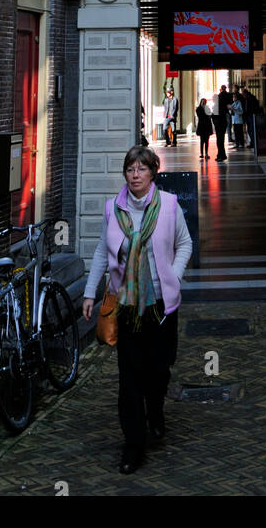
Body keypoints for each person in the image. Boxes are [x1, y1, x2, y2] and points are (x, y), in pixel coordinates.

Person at [81, 146, 193, 475]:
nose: (135, 175)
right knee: (129, 377)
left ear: (153, 173)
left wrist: (175, 272)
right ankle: (133, 444)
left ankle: (155, 408)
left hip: (161, 302)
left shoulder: (170, 206)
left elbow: (185, 242)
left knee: (159, 368)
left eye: (142, 169)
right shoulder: (112, 210)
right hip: (127, 305)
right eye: (130, 169)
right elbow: (103, 251)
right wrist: (91, 293)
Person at [214, 84, 231, 161]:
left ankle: (221, 155)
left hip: (219, 123)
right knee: (221, 139)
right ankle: (221, 155)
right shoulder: (228, 96)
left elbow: (214, 115)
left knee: (219, 140)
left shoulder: (219, 99)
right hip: (223, 121)